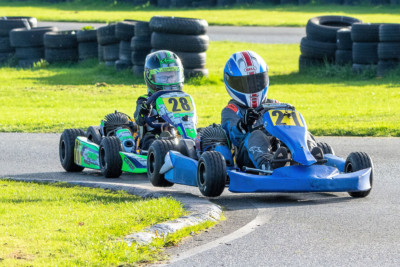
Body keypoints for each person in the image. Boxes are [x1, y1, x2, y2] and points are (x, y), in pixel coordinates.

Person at [221, 51, 323, 171]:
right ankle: (267, 164)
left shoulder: (275, 105)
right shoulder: (231, 110)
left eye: (256, 81)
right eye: (245, 83)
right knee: (256, 135)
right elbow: (234, 135)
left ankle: (311, 158)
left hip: (279, 150)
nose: (252, 88)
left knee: (304, 134)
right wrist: (243, 124)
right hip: (246, 157)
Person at [133, 50, 184, 150]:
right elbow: (138, 119)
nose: (169, 81)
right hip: (155, 136)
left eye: (172, 76)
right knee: (152, 143)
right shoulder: (145, 99)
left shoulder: (182, 97)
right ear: (150, 77)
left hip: (180, 134)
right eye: (163, 77)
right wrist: (144, 110)